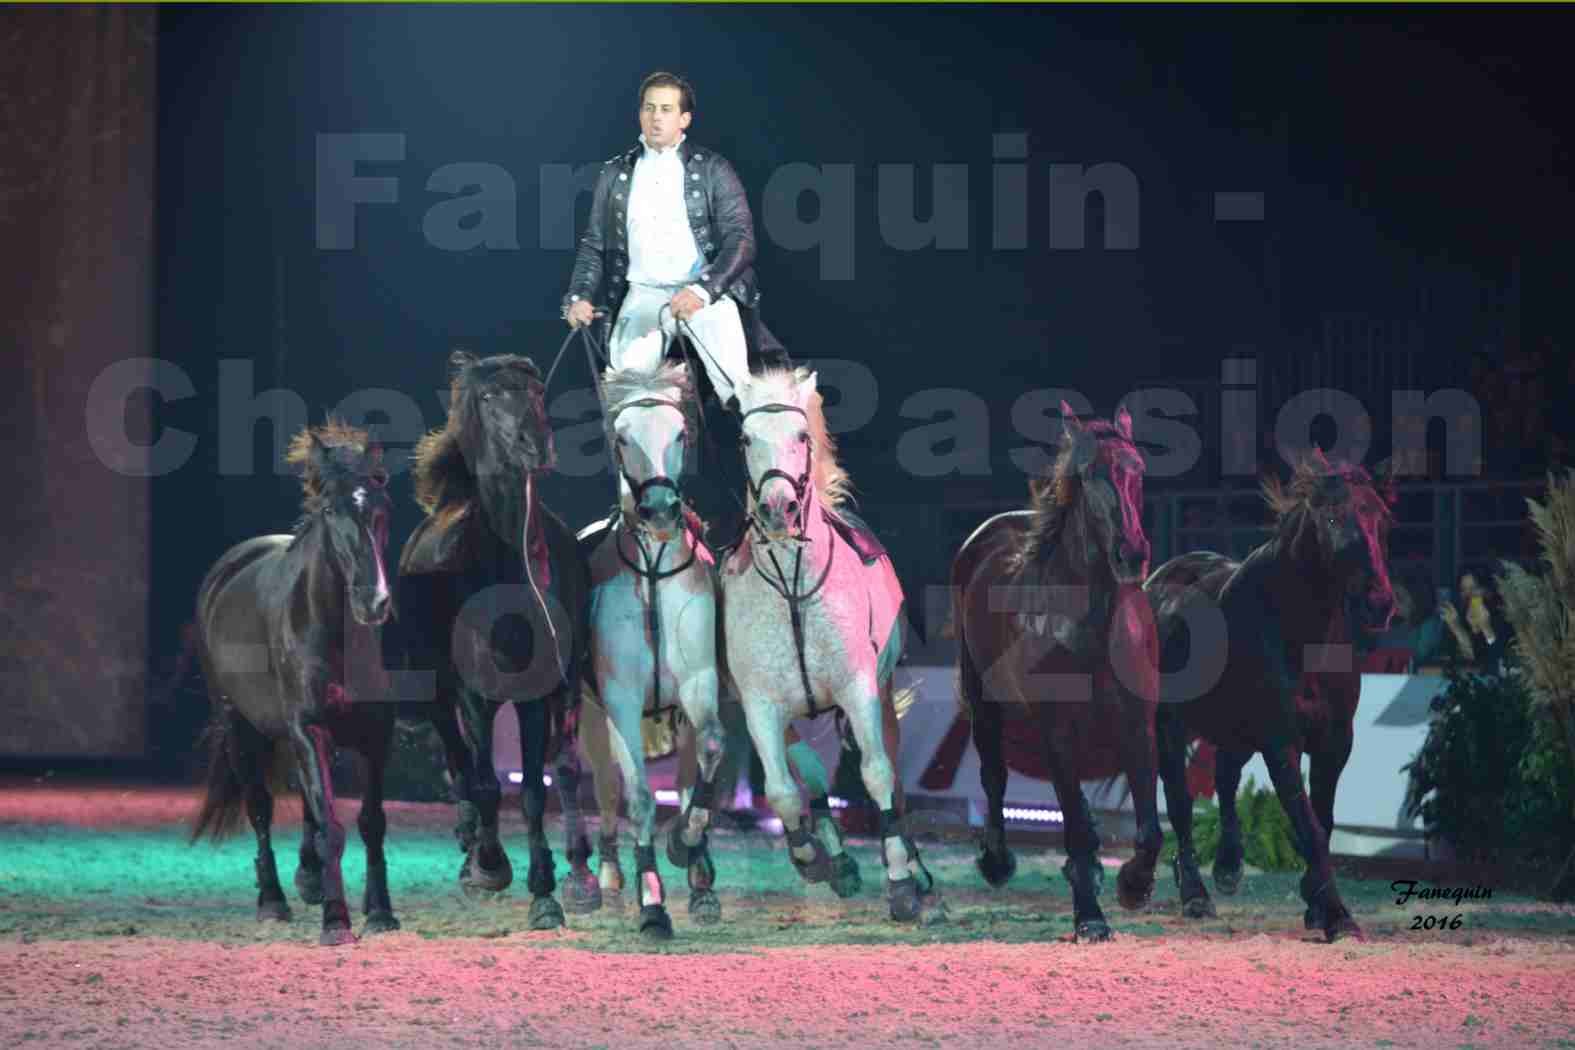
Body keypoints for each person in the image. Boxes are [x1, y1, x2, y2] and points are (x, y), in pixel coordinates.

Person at [563, 71, 791, 550]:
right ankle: (630, 509)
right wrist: (579, 296)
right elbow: (594, 246)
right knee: (625, 400)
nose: (656, 117)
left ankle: (768, 505)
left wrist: (705, 291)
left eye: (666, 109)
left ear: (685, 118)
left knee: (743, 393)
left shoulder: (712, 168)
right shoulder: (615, 173)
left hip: (701, 293)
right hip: (643, 294)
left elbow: (740, 238)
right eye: (649, 107)